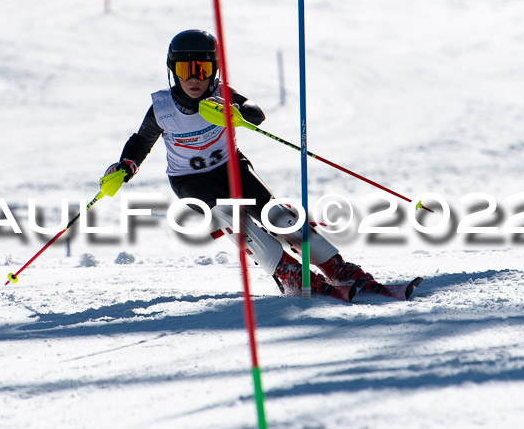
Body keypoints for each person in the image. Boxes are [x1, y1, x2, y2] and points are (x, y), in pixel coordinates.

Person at [104, 29, 385, 303]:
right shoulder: (162, 107)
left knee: (276, 214)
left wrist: (238, 113)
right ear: (172, 71)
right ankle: (289, 272)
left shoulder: (221, 94)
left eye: (201, 69)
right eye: (184, 69)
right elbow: (142, 141)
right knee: (231, 215)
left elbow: (256, 113)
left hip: (231, 166)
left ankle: (336, 267)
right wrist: (126, 166)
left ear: (213, 70)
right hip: (189, 179)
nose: (193, 78)